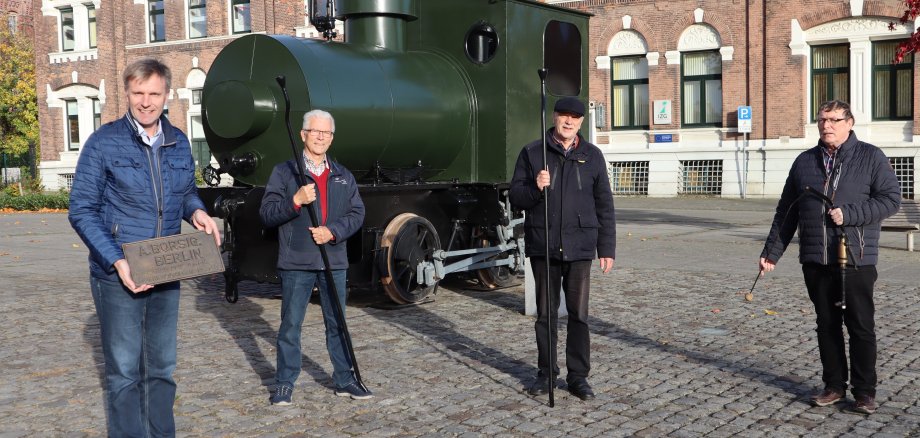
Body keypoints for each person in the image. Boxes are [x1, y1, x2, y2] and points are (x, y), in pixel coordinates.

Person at [68, 58, 221, 436]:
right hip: (118, 273)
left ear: (167, 95)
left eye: (154, 93)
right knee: (123, 371)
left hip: (166, 268)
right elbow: (82, 210)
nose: (146, 101)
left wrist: (197, 212)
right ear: (127, 94)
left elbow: (185, 192)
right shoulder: (103, 142)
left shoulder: (178, 141)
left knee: (162, 369)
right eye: (139, 93)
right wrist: (117, 261)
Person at [759, 100, 900, 415]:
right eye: (822, 120)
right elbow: (787, 210)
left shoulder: (870, 157)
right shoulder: (804, 161)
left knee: (860, 326)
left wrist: (850, 214)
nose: (827, 126)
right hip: (816, 259)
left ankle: (864, 392)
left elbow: (890, 200)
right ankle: (834, 386)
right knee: (827, 325)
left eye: (835, 120)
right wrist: (771, 251)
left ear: (849, 122)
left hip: (856, 257)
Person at [509, 96, 616, 401]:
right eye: (564, 116)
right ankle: (546, 373)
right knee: (546, 315)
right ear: (555, 117)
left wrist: (606, 247)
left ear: (582, 122)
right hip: (543, 246)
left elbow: (604, 204)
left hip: (581, 247)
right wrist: (535, 187)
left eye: (575, 118)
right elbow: (516, 196)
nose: (569, 122)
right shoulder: (533, 153)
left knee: (578, 315)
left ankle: (578, 376)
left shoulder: (592, 156)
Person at [260, 109, 370, 405]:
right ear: (303, 134)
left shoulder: (342, 175)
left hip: (333, 259)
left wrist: (332, 232)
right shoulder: (285, 173)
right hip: (297, 261)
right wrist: (294, 201)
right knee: (290, 325)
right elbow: (267, 214)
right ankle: (284, 383)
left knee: (338, 324)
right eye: (315, 131)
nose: (320, 136)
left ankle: (345, 380)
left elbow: (357, 213)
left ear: (331, 139)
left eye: (326, 133)